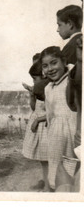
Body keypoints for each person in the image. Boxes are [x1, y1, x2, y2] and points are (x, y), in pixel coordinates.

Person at [39, 46, 77, 191]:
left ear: (64, 61)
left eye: (54, 63)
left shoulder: (72, 81)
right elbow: (50, 115)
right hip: (56, 135)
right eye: (45, 66)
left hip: (74, 132)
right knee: (56, 167)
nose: (50, 69)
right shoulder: (48, 88)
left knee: (74, 169)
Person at [22, 53, 49, 191]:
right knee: (43, 159)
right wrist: (31, 95)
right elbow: (34, 108)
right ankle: (45, 181)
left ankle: (50, 184)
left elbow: (53, 112)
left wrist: (38, 120)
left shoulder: (49, 89)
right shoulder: (38, 88)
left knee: (48, 158)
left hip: (46, 126)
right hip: (40, 126)